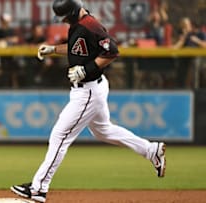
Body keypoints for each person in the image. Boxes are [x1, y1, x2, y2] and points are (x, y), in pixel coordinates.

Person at [10, 0, 166, 202]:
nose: (63, 20)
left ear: (73, 12)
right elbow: (77, 49)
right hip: (91, 89)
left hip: (88, 91)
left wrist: (87, 69)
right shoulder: (79, 25)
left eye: (65, 17)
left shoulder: (90, 25)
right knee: (104, 131)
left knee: (60, 135)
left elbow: (112, 51)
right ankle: (151, 150)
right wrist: (53, 49)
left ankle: (39, 188)